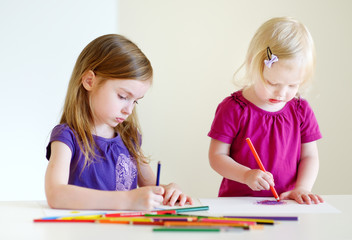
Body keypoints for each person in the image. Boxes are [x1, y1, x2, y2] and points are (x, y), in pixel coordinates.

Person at [45, 34, 192, 210]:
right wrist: (126, 200)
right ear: (89, 81)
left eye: (135, 101)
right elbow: (56, 195)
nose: (128, 110)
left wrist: (169, 190)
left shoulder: (129, 138)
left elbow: (151, 187)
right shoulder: (67, 137)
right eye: (123, 97)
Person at [208, 17, 324, 204]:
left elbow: (310, 156)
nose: (281, 93)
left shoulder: (301, 110)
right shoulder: (233, 108)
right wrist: (246, 175)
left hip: (286, 203)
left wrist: (302, 188)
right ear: (253, 65)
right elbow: (217, 156)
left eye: (293, 85)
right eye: (272, 83)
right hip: (239, 205)